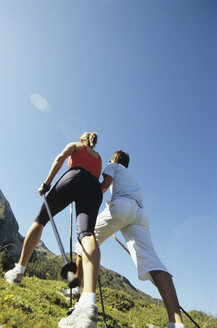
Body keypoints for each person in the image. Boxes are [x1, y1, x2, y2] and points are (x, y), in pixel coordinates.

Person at [73, 150, 185, 328]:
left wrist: (84, 197)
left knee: (85, 238)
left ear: (115, 159)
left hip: (121, 207)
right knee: (153, 262)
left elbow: (104, 186)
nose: (109, 160)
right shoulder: (133, 178)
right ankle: (176, 323)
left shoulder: (113, 166)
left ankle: (75, 291)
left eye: (111, 158)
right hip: (140, 213)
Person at [4, 132, 103, 328]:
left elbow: (60, 158)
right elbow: (93, 180)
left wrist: (47, 184)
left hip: (74, 177)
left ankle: (18, 271)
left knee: (40, 220)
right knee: (86, 235)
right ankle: (89, 302)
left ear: (83, 139)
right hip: (93, 188)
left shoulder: (76, 145)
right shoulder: (99, 159)